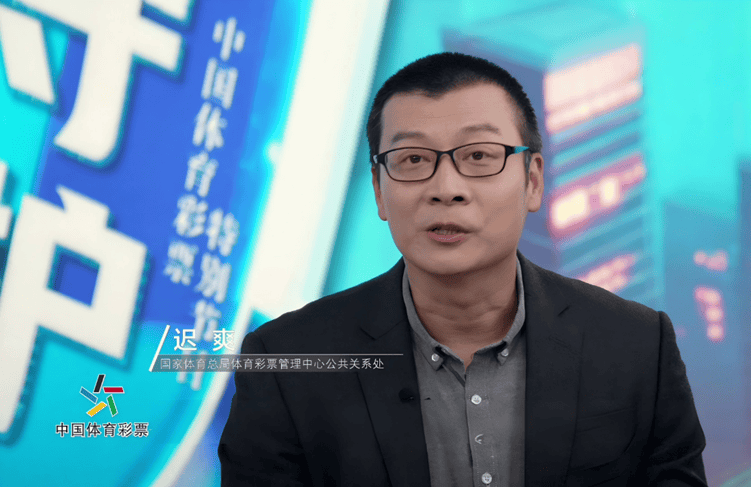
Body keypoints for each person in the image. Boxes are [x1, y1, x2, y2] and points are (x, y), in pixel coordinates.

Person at [218, 52, 707, 487]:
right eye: (412, 159)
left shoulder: (638, 346)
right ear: (379, 190)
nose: (446, 188)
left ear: (533, 181)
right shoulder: (285, 362)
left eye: (478, 156)